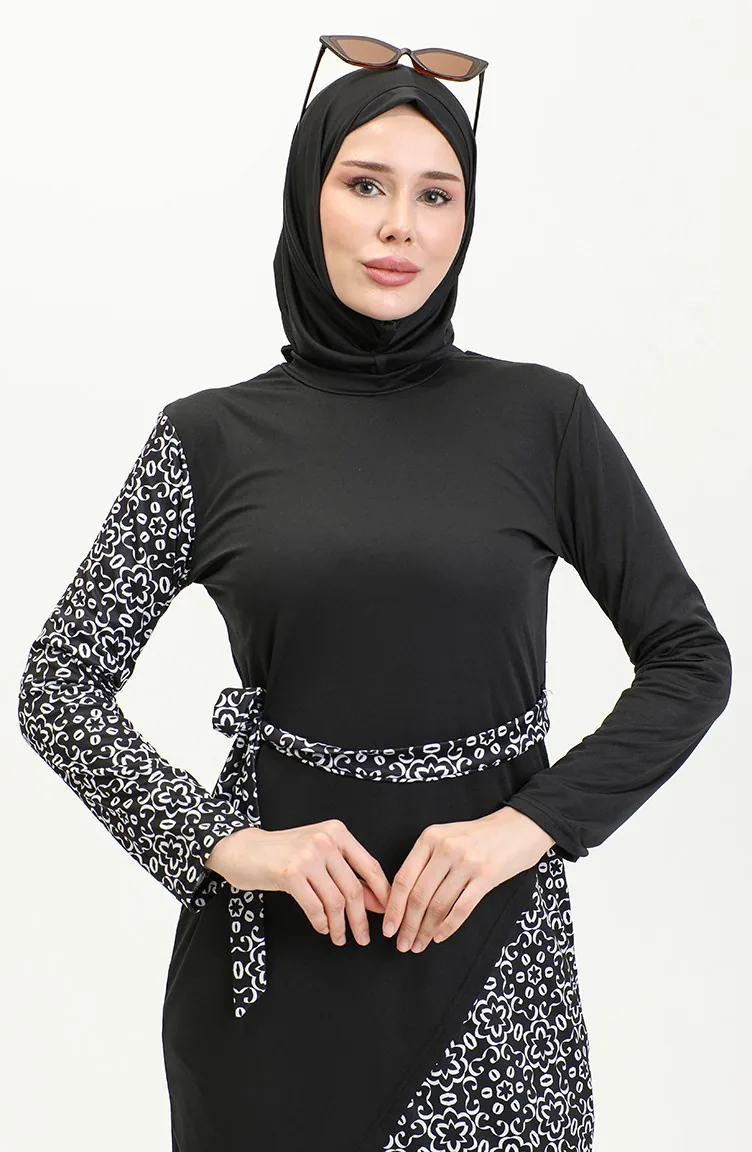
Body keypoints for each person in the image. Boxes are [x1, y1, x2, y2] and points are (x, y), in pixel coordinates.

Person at [17, 51, 732, 1152]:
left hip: (493, 972)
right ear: (308, 200)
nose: (401, 225)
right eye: (364, 184)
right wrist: (227, 845)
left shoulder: (542, 419)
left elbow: (688, 658)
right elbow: (58, 689)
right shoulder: (208, 437)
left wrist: (527, 826)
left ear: (465, 220)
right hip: (270, 984)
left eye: (436, 194)